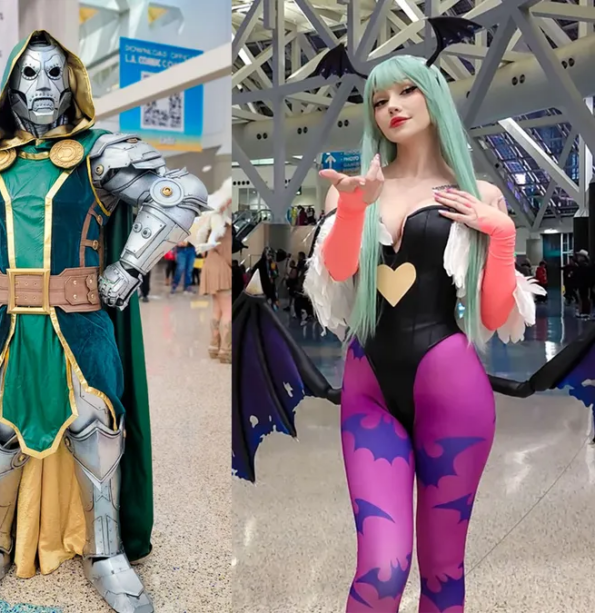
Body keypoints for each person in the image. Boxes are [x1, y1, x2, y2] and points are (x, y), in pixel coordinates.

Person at [0, 30, 207, 612]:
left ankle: (106, 551)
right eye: (30, 73)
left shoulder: (99, 152)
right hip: (2, 320)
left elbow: (177, 193)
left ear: (71, 81)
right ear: (11, 84)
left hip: (80, 319)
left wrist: (128, 268)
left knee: (95, 426)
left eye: (53, 72)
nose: (43, 85)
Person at [237, 50, 549, 611]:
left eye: (405, 91)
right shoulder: (352, 188)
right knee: (380, 570)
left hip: (453, 391)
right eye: (379, 100)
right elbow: (337, 272)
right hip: (368, 390)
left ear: (432, 95)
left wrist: (502, 239)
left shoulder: (478, 193)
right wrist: (354, 209)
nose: (391, 108)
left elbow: (497, 316)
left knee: (443, 573)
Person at [191, 177, 234, 361]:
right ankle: (226, 349)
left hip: (210, 265)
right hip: (222, 268)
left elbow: (202, 243)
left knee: (216, 309)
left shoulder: (210, 219)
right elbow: (227, 252)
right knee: (227, 310)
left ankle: (213, 345)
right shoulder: (224, 222)